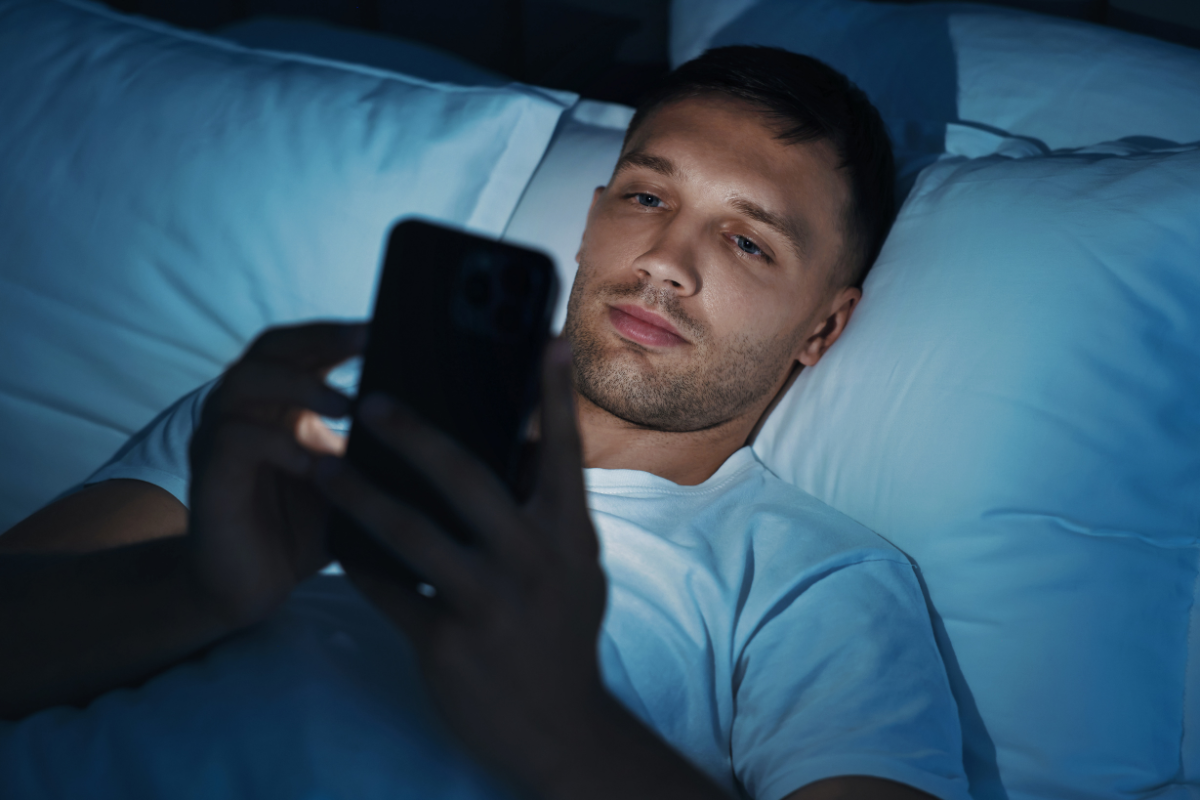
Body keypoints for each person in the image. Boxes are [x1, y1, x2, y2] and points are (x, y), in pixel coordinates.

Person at [0, 47, 969, 800]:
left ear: (823, 327)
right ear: (591, 221)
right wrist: (196, 587)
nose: (666, 262)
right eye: (646, 198)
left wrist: (568, 728)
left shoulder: (811, 579)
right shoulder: (308, 408)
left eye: (748, 242)